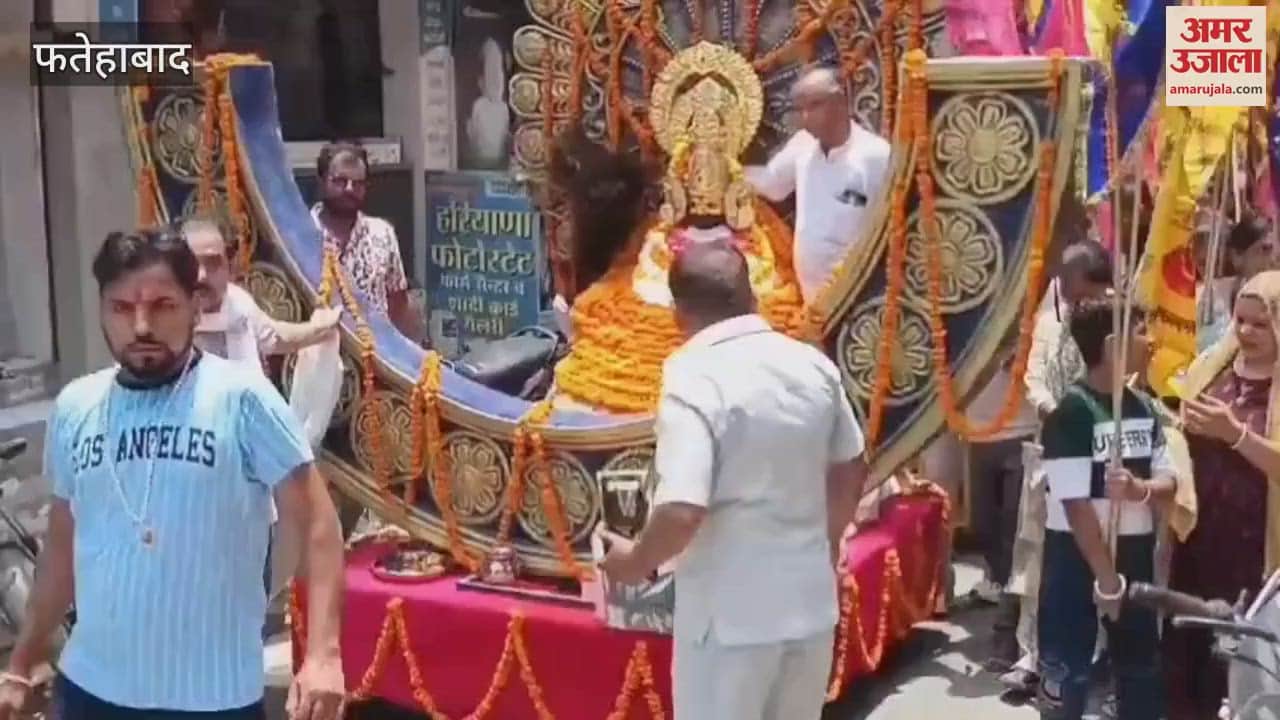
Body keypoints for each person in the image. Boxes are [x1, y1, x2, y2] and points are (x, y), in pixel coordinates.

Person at [0, 229, 346, 720]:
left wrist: (323, 656)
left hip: (210, 698)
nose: (141, 325)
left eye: (162, 305)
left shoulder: (242, 400)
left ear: (196, 305)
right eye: (121, 308)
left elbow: (317, 524)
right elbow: (60, 551)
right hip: (90, 691)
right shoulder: (77, 407)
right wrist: (20, 664)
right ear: (102, 309)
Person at [599, 240, 867, 719]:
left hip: (732, 625)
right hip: (808, 609)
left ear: (678, 313)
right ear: (753, 297)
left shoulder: (693, 374)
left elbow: (683, 508)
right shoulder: (810, 364)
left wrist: (636, 561)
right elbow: (851, 463)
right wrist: (825, 542)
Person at [1036, 296, 1174, 720]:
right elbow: (1076, 506)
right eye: (1140, 331)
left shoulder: (1144, 407)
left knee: (1139, 669)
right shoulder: (1072, 414)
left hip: (1133, 553)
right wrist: (1107, 579)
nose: (1150, 341)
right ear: (1113, 345)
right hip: (1076, 556)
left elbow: (1169, 481)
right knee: (1066, 671)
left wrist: (1139, 489)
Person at [1167, 270, 1280, 719]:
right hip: (1198, 536)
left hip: (1256, 547)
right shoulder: (1212, 364)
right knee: (1187, 646)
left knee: (1238, 657)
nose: (1247, 332)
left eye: (1261, 324)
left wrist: (1234, 435)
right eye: (1241, 320)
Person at [1002, 239, 1113, 693]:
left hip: (1100, 457)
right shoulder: (1047, 324)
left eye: (1071, 283)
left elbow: (1122, 382)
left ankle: (1096, 652)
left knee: (1095, 554)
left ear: (1094, 282)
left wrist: (1086, 417)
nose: (1063, 290)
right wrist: (1059, 413)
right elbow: (1032, 379)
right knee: (1036, 560)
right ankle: (1031, 655)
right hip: (1049, 455)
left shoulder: (1116, 326)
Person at [745, 66, 892, 304]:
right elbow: (772, 185)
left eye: (814, 106)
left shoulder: (875, 156)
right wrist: (726, 168)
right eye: (800, 109)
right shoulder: (802, 145)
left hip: (857, 296)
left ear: (841, 102)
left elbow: (888, 228)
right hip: (810, 298)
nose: (805, 118)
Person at [185, 218, 341, 373]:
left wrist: (320, 328)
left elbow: (274, 337)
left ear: (229, 265)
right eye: (191, 264)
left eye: (212, 263)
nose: (202, 275)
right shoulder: (165, 322)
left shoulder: (237, 301)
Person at [965, 354, 1039, 673]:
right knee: (982, 529)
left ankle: (1006, 635)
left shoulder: (1032, 310)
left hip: (1022, 431)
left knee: (1012, 536)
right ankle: (1014, 607)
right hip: (975, 433)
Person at [311, 142, 417, 340]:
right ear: (321, 181)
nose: (350, 189)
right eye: (340, 181)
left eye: (358, 183)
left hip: (374, 358)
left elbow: (398, 302)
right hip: (316, 356)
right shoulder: (301, 232)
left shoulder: (382, 234)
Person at [1196, 212, 1277, 352]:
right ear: (1237, 257)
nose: (1273, 260)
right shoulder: (1208, 298)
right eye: (1264, 250)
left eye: (1276, 252)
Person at [465, 37, 511, 169]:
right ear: (481, 82)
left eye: (499, 71)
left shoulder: (505, 109)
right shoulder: (479, 106)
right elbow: (473, 142)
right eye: (491, 72)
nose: (497, 79)